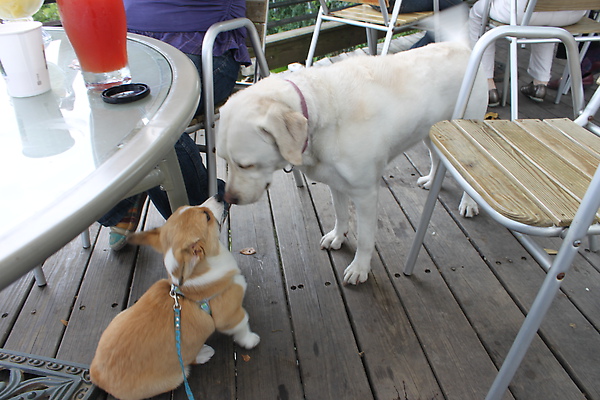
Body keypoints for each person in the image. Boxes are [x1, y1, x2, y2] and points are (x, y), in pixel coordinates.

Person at [98, 0, 251, 251]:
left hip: (205, 49)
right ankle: (203, 203)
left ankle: (187, 215)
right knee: (100, 103)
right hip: (130, 49)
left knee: (148, 111)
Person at [469, 0, 587, 106]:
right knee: (547, 21)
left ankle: (486, 85)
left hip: (522, 12)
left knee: (478, 12)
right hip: (572, 13)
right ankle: (540, 84)